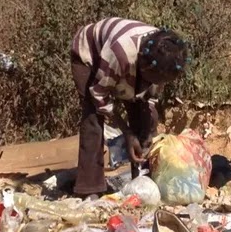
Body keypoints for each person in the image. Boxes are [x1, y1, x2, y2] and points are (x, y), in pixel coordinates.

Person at [70, 18, 189, 196]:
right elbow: (99, 95)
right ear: (144, 65)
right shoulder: (120, 53)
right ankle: (89, 188)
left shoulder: (164, 58)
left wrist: (147, 131)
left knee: (145, 120)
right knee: (93, 119)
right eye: (153, 79)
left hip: (127, 64)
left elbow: (149, 97)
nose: (156, 83)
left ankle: (142, 182)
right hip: (90, 56)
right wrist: (127, 132)